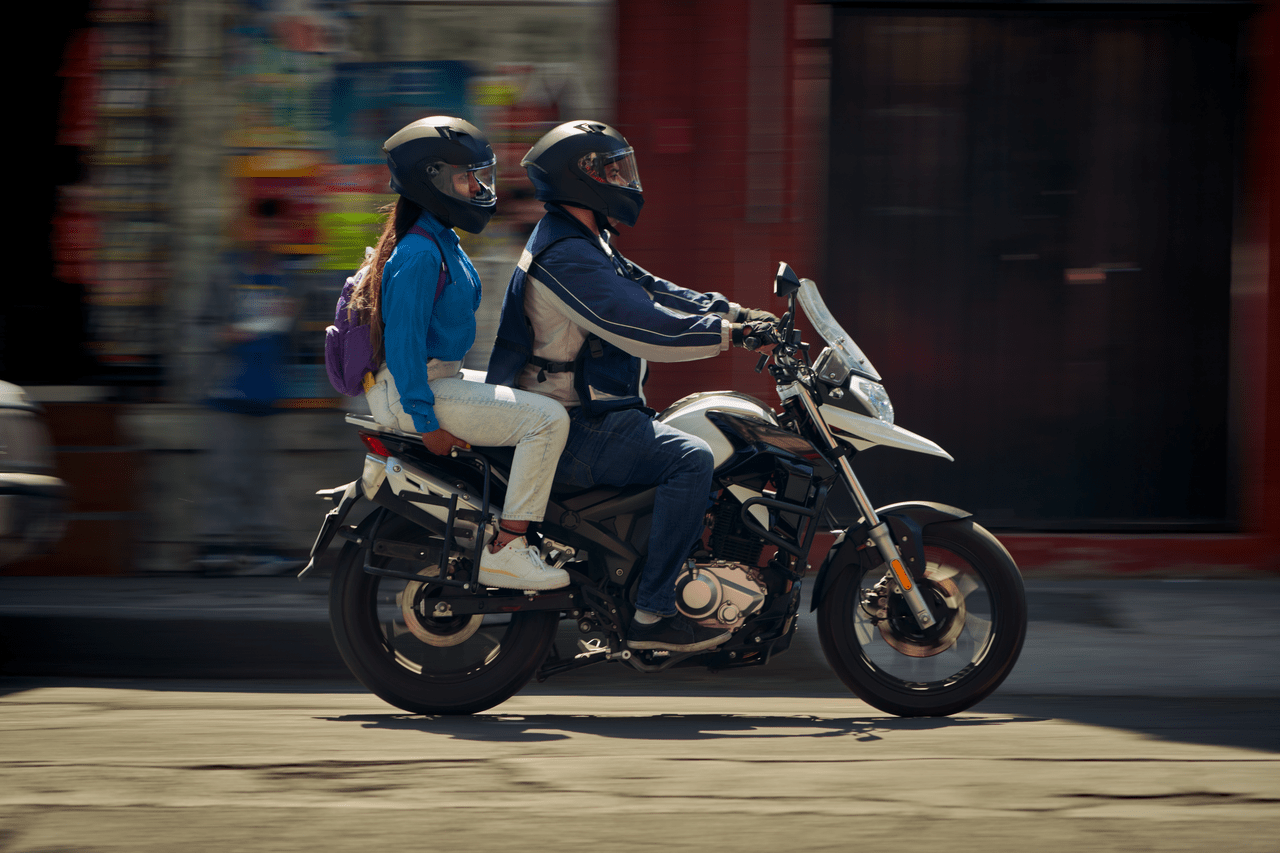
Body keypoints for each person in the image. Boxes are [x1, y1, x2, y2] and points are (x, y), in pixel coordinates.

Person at [486, 120, 777, 651]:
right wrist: (731, 335)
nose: (626, 180)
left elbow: (653, 288)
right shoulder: (567, 256)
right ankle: (653, 612)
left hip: (596, 417)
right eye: (613, 170)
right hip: (575, 429)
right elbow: (640, 323)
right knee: (690, 459)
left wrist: (737, 312)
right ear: (580, 180)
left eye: (624, 168)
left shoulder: (585, 240)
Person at [351, 116, 571, 590]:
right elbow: (404, 345)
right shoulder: (419, 253)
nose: (478, 187)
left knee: (532, 401)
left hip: (434, 380)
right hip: (414, 391)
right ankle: (507, 548)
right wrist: (425, 422)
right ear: (431, 180)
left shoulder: (441, 240)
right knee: (548, 420)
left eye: (480, 175)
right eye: (466, 177)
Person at [194, 197, 299, 574]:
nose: (267, 235)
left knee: (261, 476)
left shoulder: (286, 277)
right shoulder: (226, 273)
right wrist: (226, 333)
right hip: (227, 391)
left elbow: (295, 338)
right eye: (260, 226)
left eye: (274, 227)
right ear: (246, 228)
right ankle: (216, 548)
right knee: (224, 474)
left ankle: (259, 547)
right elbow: (199, 328)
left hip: (267, 392)